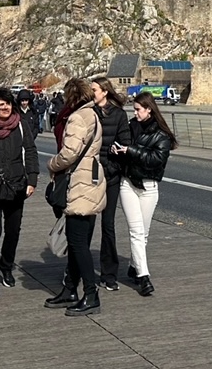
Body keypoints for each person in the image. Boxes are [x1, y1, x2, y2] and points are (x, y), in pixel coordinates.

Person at [44, 77, 106, 316]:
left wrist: (52, 164)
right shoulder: (93, 114)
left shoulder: (78, 117)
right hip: (90, 179)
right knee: (77, 239)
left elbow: (70, 152)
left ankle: (91, 294)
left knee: (78, 243)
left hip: (79, 183)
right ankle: (70, 288)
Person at [110, 90, 176, 296]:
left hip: (149, 187)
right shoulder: (131, 127)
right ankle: (144, 277)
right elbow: (124, 148)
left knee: (144, 233)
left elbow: (156, 159)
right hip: (128, 184)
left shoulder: (162, 135)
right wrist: (117, 151)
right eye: (134, 109)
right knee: (136, 231)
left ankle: (133, 266)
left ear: (149, 109)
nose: (135, 113)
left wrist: (130, 152)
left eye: (138, 109)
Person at [0, 87, 39, 298]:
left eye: (7, 104)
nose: (5, 108)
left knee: (13, 230)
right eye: (0, 105)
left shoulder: (20, 125)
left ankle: (6, 266)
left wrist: (32, 179)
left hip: (17, 184)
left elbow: (30, 151)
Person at [92, 77, 131, 291]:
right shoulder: (88, 113)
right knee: (85, 223)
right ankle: (78, 270)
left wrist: (112, 166)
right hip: (89, 177)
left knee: (108, 225)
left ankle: (109, 274)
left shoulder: (118, 115)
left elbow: (124, 143)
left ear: (105, 91)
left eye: (95, 90)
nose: (92, 93)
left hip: (110, 176)